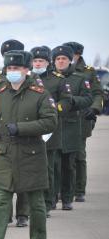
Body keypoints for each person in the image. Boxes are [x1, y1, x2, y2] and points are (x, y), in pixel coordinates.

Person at [0, 50, 57, 239]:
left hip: (32, 154)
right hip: (5, 154)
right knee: (1, 200)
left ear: (26, 70)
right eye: (9, 68)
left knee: (36, 202)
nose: (12, 72)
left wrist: (20, 128)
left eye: (16, 69)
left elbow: (50, 122)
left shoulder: (40, 94)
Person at [30, 46, 73, 216]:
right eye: (35, 60)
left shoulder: (58, 80)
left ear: (48, 62)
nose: (38, 63)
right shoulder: (27, 78)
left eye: (41, 61)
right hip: (30, 128)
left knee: (48, 168)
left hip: (50, 130)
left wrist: (53, 111)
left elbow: (67, 101)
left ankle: (48, 202)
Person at [52, 45, 93, 210]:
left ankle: (68, 198)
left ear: (70, 61)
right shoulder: (49, 79)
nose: (61, 62)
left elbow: (88, 99)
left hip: (71, 126)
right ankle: (52, 198)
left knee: (69, 164)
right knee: (53, 165)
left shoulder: (79, 78)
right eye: (58, 59)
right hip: (53, 126)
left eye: (64, 59)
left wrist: (72, 101)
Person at [63, 42, 104, 202]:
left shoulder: (88, 72)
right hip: (62, 119)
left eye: (70, 54)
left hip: (81, 120)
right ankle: (63, 189)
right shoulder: (58, 71)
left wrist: (93, 109)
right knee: (62, 156)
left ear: (78, 55)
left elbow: (98, 94)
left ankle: (79, 189)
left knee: (79, 156)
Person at [0, 39, 30, 227]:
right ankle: (5, 213)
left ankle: (23, 213)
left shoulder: (32, 81)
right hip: (4, 136)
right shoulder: (0, 79)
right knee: (4, 181)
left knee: (22, 178)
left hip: (25, 135)